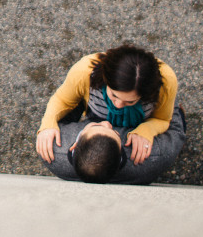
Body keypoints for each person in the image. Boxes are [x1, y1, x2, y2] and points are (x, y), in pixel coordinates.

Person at [35, 44, 183, 183]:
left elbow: (61, 99)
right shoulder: (85, 71)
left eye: (130, 102)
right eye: (114, 96)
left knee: (69, 99)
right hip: (130, 125)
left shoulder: (54, 153)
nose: (118, 105)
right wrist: (147, 130)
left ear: (75, 144)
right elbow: (165, 121)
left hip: (100, 125)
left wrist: (48, 124)